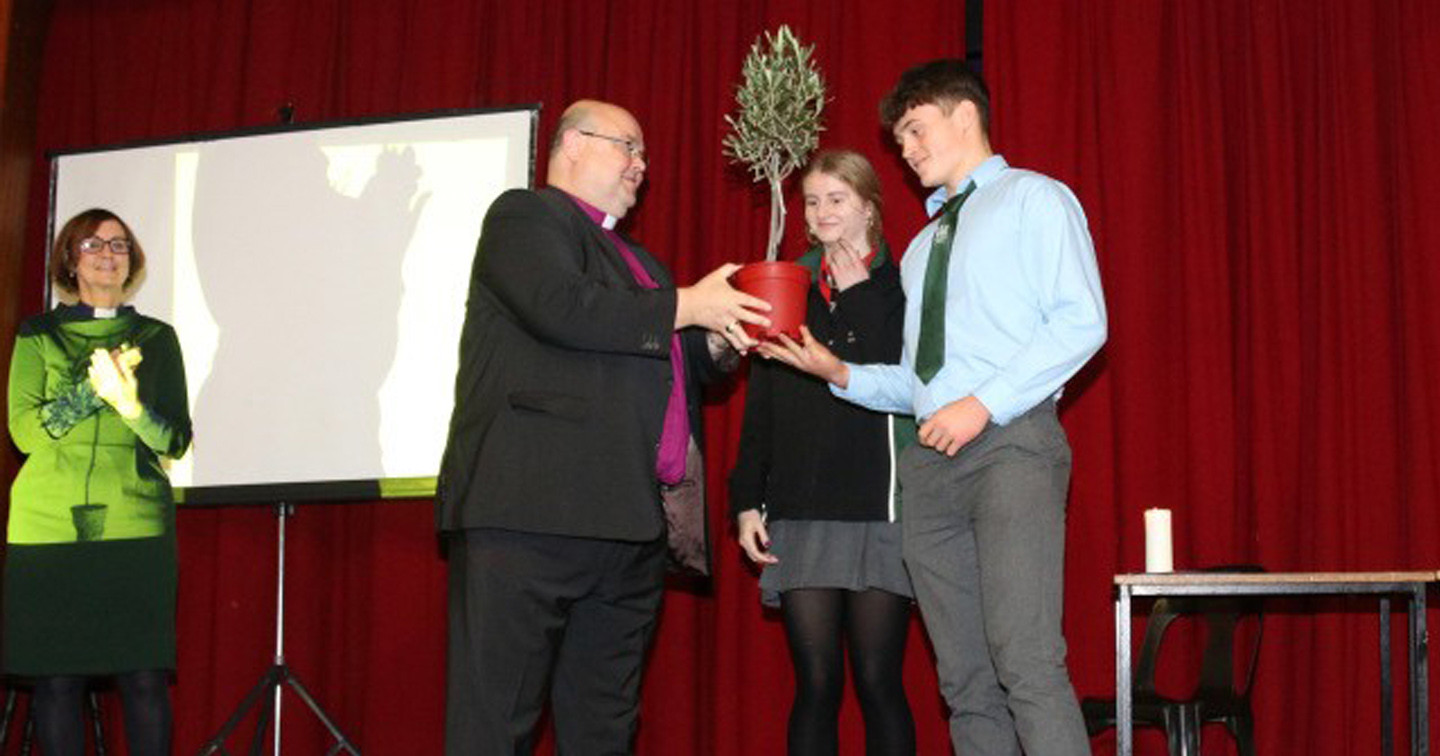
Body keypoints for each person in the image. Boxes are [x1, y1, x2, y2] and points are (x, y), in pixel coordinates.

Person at [759, 59, 1107, 756]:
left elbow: (1082, 323)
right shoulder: (920, 249)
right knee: (965, 680)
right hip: (929, 470)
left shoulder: (1034, 199)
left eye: (915, 130)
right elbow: (922, 388)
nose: (906, 150)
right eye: (900, 138)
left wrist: (983, 404)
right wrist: (839, 372)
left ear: (964, 115)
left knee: (1026, 662)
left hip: (1011, 447)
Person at [435, 99, 770, 754]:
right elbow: (564, 308)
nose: (641, 165)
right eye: (627, 146)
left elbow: (678, 361)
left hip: (628, 527)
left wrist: (726, 338)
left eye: (643, 153)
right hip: (530, 516)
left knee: (605, 730)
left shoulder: (641, 263)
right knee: (494, 725)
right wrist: (690, 303)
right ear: (571, 145)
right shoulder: (524, 215)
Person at [729, 149, 917, 755]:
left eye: (837, 198)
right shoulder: (788, 284)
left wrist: (859, 294)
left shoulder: (901, 286)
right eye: (812, 200)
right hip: (801, 508)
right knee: (816, 682)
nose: (821, 211)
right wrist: (746, 501)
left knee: (878, 680)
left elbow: (892, 373)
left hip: (877, 509)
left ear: (869, 205)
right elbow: (764, 399)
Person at [5, 208, 193, 756]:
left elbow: (175, 440)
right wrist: (92, 390)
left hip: (134, 523)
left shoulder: (156, 338)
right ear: (70, 258)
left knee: (143, 677)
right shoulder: (38, 335)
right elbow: (24, 434)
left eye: (120, 245)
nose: (108, 254)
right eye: (94, 244)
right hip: (47, 528)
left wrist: (129, 403)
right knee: (57, 680)